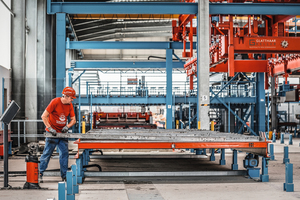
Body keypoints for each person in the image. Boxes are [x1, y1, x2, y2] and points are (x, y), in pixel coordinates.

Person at [39, 87, 76, 182]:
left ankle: (64, 176)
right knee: (47, 153)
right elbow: (44, 116)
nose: (72, 100)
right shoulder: (55, 102)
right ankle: (39, 173)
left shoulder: (70, 105)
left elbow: (73, 120)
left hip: (62, 133)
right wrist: (50, 128)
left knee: (64, 154)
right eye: (71, 98)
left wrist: (67, 127)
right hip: (52, 133)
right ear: (66, 96)